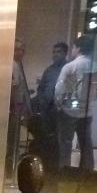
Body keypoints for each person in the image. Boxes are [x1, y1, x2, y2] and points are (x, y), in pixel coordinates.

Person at [55, 34, 97, 171]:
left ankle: (65, 171)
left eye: (74, 47)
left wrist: (59, 104)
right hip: (87, 111)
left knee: (66, 143)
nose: (72, 50)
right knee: (86, 144)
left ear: (78, 48)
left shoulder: (70, 66)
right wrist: (89, 102)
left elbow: (59, 89)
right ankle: (87, 172)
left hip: (69, 109)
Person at [29, 41, 69, 173]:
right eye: (54, 52)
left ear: (65, 53)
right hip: (47, 110)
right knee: (47, 139)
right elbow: (41, 89)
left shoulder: (69, 69)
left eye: (58, 52)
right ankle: (48, 166)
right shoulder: (49, 70)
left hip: (62, 111)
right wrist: (41, 103)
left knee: (60, 140)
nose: (55, 54)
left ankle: (61, 168)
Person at [7, 39, 31, 176]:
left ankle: (12, 167)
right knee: (11, 139)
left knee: (14, 139)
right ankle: (9, 169)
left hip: (17, 106)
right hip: (13, 107)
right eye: (16, 49)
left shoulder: (18, 65)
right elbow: (12, 86)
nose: (19, 52)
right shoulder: (12, 65)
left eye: (21, 49)